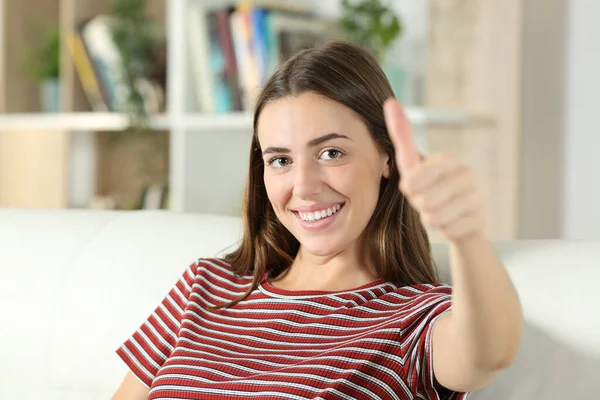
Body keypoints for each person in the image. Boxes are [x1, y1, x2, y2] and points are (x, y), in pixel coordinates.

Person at [111, 40, 523, 400]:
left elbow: (487, 353)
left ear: (386, 156)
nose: (303, 187)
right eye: (281, 160)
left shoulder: (412, 321)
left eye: (331, 153)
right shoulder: (206, 287)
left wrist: (466, 235)